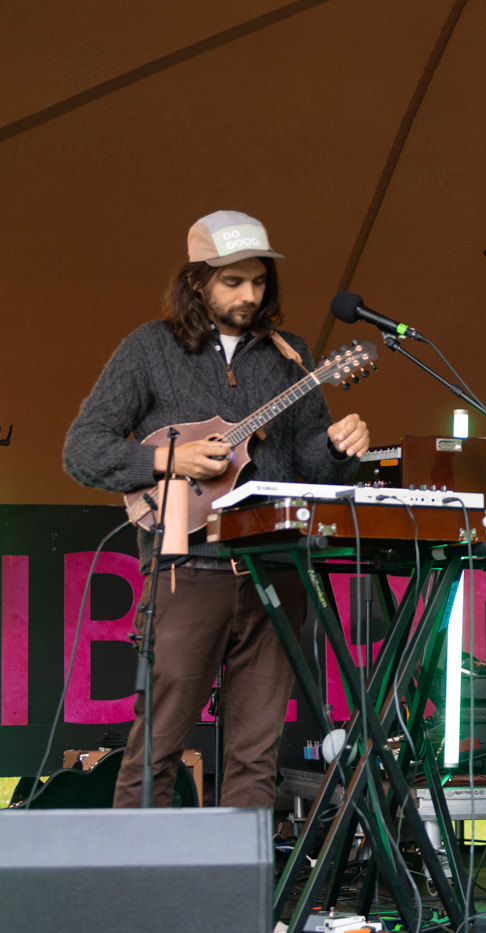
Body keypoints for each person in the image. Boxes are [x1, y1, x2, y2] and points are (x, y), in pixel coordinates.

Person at [64, 210, 370, 808]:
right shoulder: (150, 348)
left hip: (274, 567)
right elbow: (83, 450)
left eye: (258, 281)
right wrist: (167, 460)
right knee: (156, 745)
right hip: (187, 570)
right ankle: (137, 867)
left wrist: (337, 448)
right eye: (233, 281)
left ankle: (241, 869)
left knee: (257, 752)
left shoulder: (290, 353)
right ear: (197, 282)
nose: (249, 295)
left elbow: (310, 459)